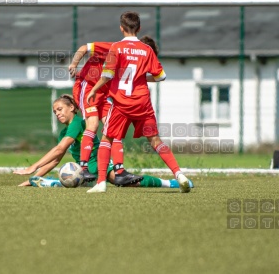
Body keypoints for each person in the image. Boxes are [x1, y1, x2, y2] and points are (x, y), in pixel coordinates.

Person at [86, 11, 191, 193]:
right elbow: (161, 76)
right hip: (142, 103)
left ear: (121, 28)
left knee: (107, 138)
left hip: (121, 103)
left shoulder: (116, 48)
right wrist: (141, 78)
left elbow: (108, 74)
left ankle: (101, 182)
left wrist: (94, 89)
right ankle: (179, 174)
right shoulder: (147, 49)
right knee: (155, 140)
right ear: (139, 28)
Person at [13, 94, 182, 189]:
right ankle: (53, 182)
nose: (57, 113)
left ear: (71, 107)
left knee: (125, 181)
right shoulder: (64, 132)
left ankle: (169, 183)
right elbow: (55, 160)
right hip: (86, 169)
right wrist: (31, 180)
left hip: (98, 162)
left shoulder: (78, 122)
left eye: (59, 109)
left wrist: (33, 166)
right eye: (54, 112)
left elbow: (59, 150)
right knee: (80, 182)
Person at [67, 36, 162, 185]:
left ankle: (120, 172)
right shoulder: (115, 47)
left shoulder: (132, 58)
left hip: (105, 93)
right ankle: (84, 167)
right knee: (93, 125)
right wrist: (74, 64)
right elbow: (84, 48)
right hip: (89, 86)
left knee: (113, 129)